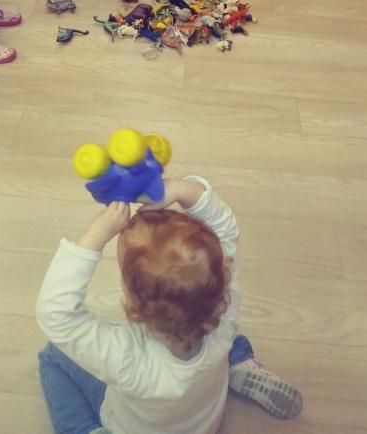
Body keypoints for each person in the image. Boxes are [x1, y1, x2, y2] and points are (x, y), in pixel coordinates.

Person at [37, 176, 303, 434]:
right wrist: (179, 189)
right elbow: (226, 227)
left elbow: (56, 314)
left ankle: (89, 429)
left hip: (133, 427)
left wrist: (97, 233)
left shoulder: (126, 358)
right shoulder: (225, 308)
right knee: (230, 337)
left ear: (134, 304)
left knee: (52, 356)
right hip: (205, 420)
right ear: (222, 272)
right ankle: (240, 362)